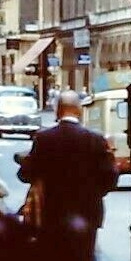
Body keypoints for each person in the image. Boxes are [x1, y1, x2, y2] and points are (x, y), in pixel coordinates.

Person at [17, 91, 117, 248]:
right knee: (84, 260)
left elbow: (25, 174)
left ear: (58, 110)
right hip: (87, 212)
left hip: (51, 213)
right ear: (79, 110)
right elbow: (110, 179)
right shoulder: (95, 140)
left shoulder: (44, 139)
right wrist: (94, 192)